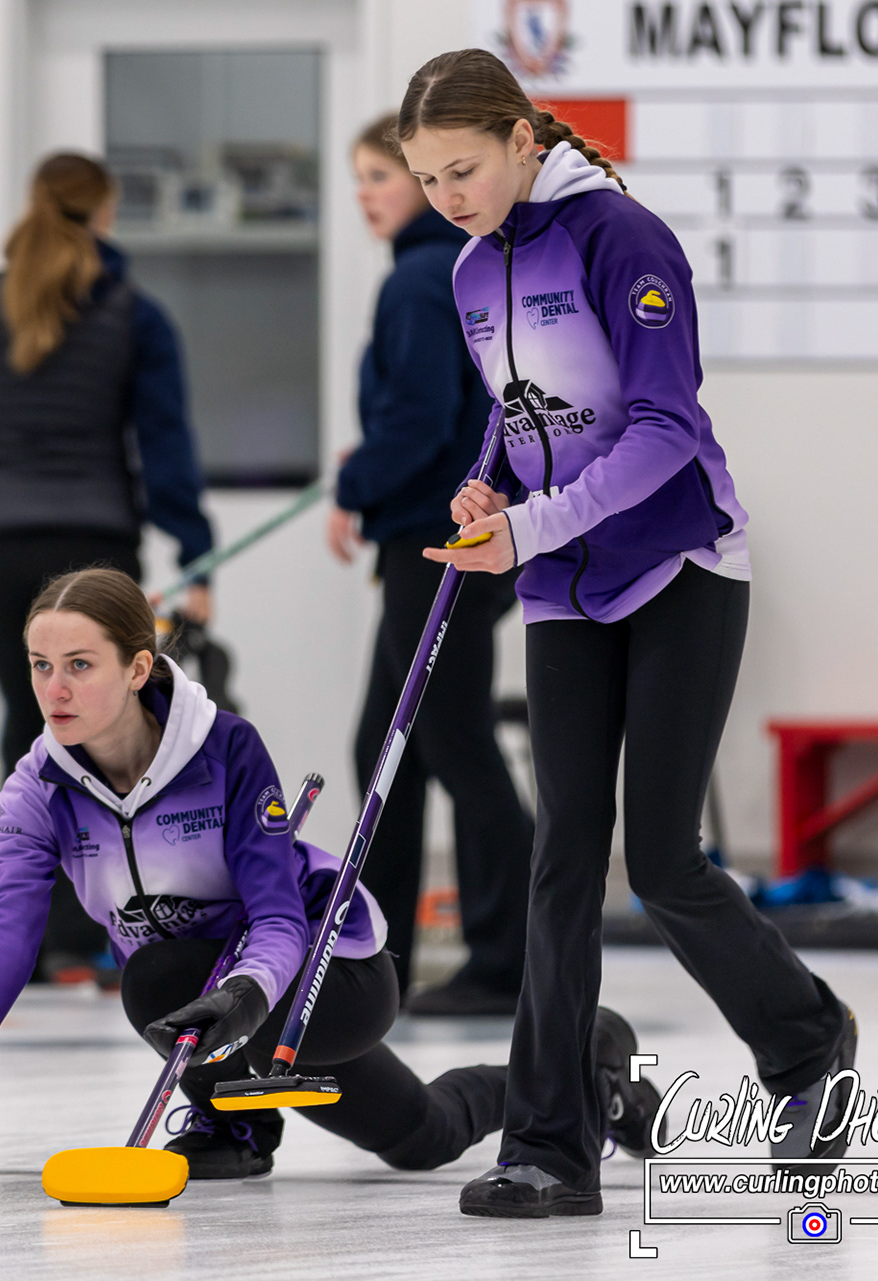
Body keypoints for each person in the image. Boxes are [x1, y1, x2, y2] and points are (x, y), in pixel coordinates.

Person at [401, 49, 856, 1218]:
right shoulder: (469, 271)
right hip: (562, 579)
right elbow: (525, 422)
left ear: (521, 140)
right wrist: (493, 493)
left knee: (659, 861)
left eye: (463, 169)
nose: (447, 197)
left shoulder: (621, 238)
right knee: (561, 859)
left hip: (677, 564)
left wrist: (534, 522)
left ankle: (808, 1042)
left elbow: (662, 427)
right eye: (427, 179)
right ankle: (551, 1145)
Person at [0, 568, 661, 1180]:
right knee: (420, 1135)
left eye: (79, 665)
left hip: (325, 976)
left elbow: (279, 914)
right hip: (204, 998)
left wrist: (247, 995)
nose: (54, 689)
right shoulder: (37, 791)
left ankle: (237, 1118)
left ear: (138, 667)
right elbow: (6, 926)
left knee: (163, 976)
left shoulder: (224, 749)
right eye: (41, 665)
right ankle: (586, 1066)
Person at [0, 152, 216, 984]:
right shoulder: (134, 314)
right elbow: (165, 447)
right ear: (106, 214)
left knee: (29, 724)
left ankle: (37, 943)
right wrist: (195, 554)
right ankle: (123, 936)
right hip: (93, 548)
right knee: (115, 738)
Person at [328, 114, 533, 1017]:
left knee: (451, 742)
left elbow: (416, 421)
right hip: (449, 535)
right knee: (389, 748)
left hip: (438, 539)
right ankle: (384, 962)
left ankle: (508, 959)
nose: (367, 194)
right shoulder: (456, 269)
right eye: (363, 178)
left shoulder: (418, 280)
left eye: (383, 176)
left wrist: (353, 483)